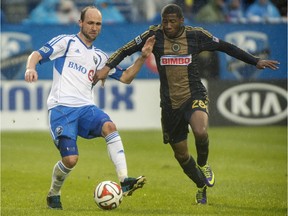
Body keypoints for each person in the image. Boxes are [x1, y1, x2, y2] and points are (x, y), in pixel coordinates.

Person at [92, 3, 280, 205]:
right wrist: (107, 66)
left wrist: (254, 61)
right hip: (169, 104)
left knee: (200, 131)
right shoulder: (154, 35)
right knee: (181, 155)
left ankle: (204, 163)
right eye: (165, 21)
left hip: (194, 94)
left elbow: (226, 46)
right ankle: (200, 186)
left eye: (172, 21)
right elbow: (125, 50)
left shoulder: (196, 35)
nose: (168, 25)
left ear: (181, 21)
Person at [24, 5, 155, 210]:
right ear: (81, 23)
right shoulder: (66, 42)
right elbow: (36, 54)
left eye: (98, 24)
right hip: (61, 109)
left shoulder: (101, 57)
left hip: (86, 108)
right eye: (90, 23)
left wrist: (143, 56)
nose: (94, 27)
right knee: (70, 160)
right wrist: (30, 67)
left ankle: (124, 180)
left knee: (109, 127)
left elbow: (126, 77)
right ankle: (54, 193)